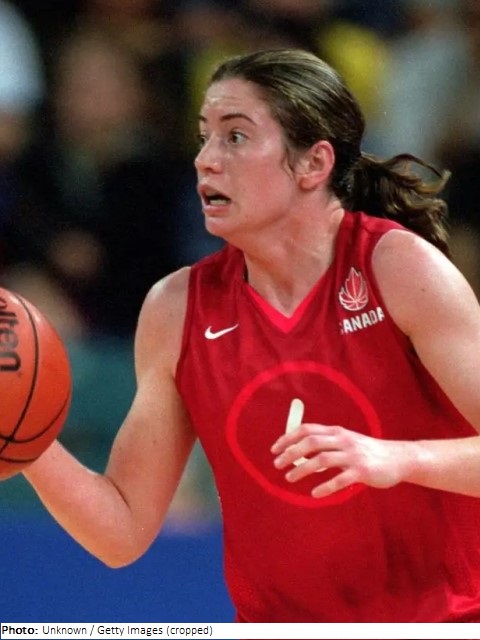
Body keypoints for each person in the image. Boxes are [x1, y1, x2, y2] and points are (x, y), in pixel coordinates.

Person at [22, 48, 480, 623]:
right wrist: (27, 435)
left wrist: (398, 457)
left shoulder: (397, 268)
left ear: (313, 164)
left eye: (235, 137)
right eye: (204, 137)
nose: (205, 160)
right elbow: (121, 530)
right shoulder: (175, 308)